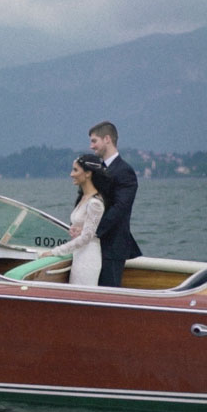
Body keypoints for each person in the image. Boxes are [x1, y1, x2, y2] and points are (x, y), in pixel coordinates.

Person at [83, 120, 142, 287]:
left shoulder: (125, 171)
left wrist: (91, 231)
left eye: (94, 141)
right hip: (94, 246)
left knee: (107, 294)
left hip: (113, 248)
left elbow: (119, 209)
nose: (91, 146)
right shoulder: (96, 170)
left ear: (107, 139)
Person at [40, 154, 108, 286]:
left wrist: (54, 251)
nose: (71, 174)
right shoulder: (84, 197)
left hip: (88, 259)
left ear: (88, 173)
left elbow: (86, 238)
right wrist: (76, 229)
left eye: (75, 170)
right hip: (79, 256)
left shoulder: (94, 203)